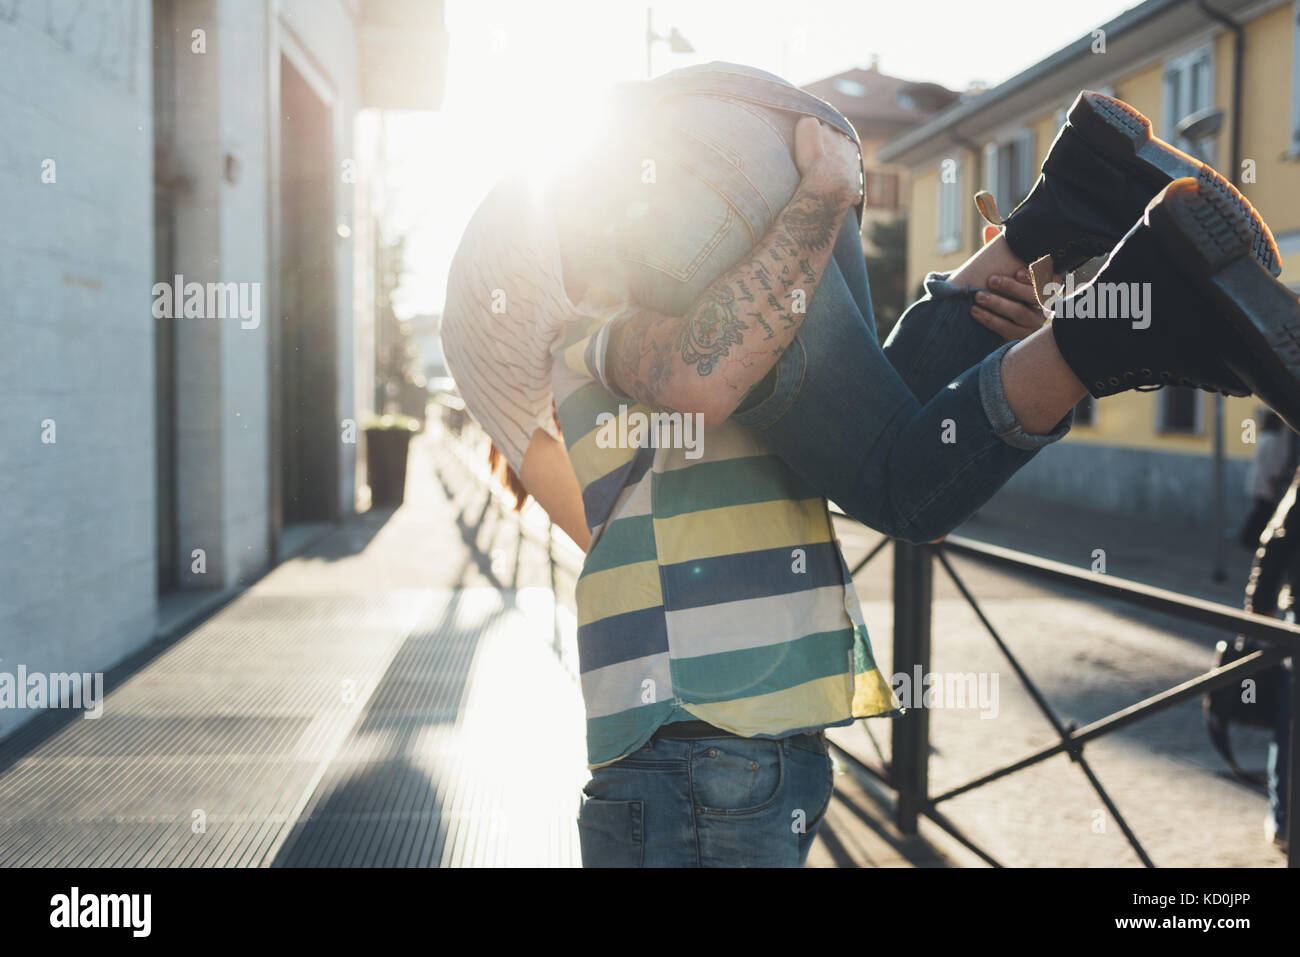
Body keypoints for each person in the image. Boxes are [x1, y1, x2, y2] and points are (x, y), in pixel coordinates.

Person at [442, 62, 1298, 867]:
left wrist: (822, 196)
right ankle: (1076, 201)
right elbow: (866, 405)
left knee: (901, 488)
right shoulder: (694, 411)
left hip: (692, 758)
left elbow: (696, 378)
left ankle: (1118, 328)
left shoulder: (587, 342)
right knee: (889, 436)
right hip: (757, 755)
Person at [1238, 409, 1289, 549]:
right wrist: (1274, 484)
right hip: (1266, 482)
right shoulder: (1274, 440)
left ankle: (1247, 538)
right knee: (1263, 512)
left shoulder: (1264, 437)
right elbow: (1273, 465)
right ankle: (1251, 539)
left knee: (1259, 511)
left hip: (1258, 480)